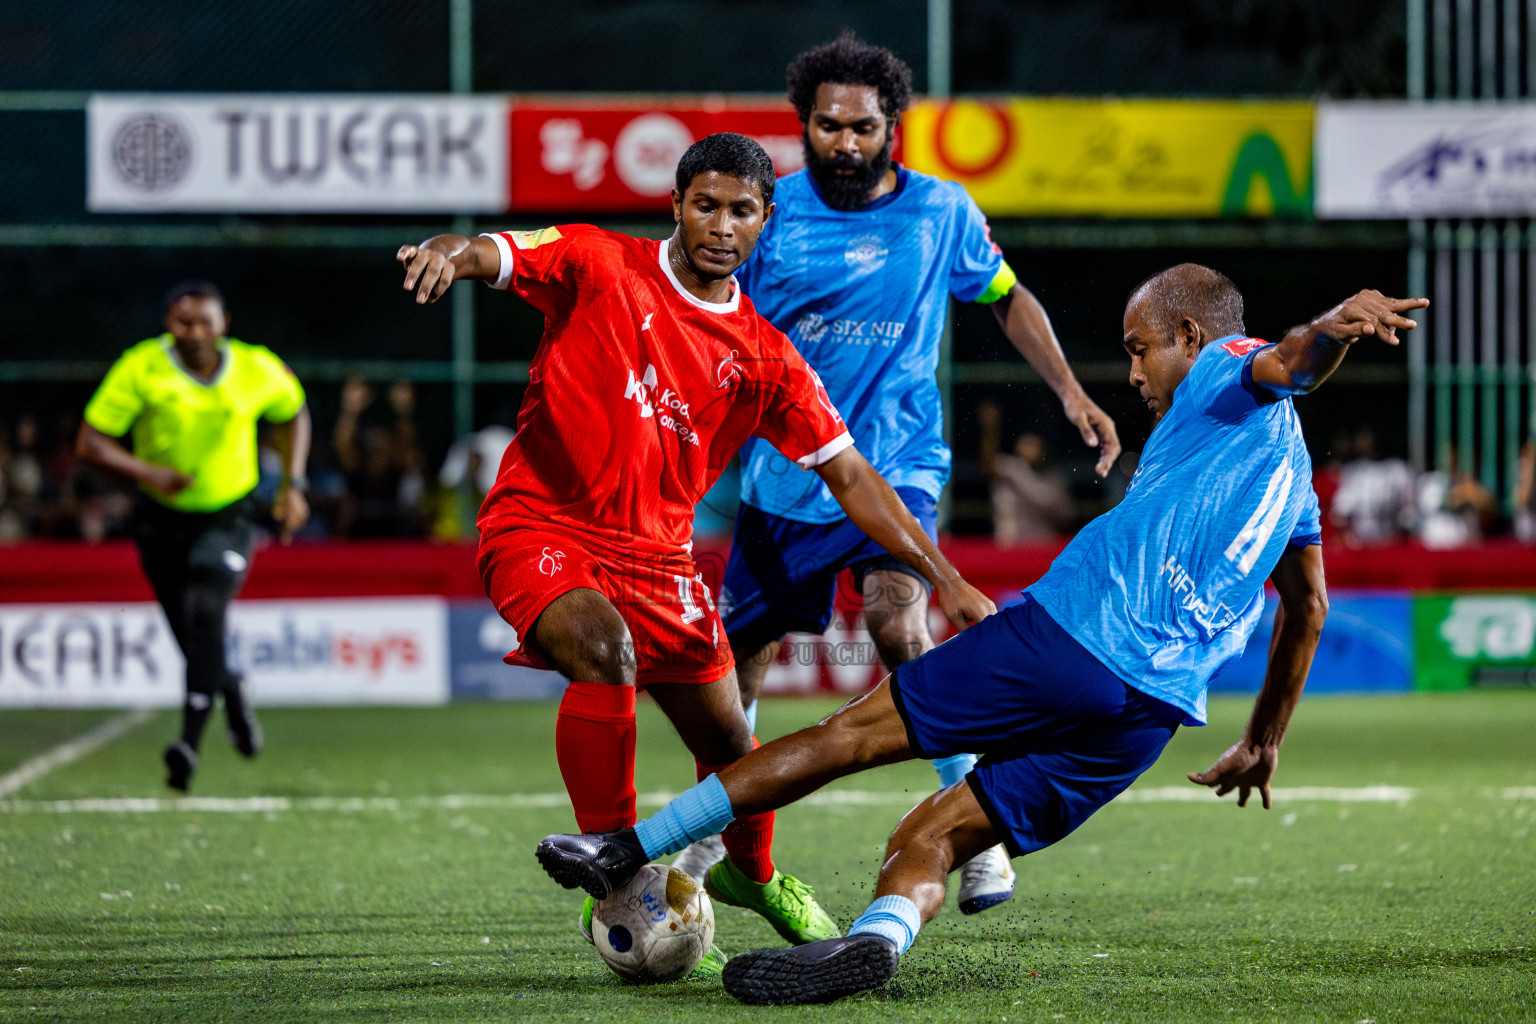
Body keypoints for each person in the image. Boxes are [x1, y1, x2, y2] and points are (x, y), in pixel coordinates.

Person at [536, 268, 1428, 1005]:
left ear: (1191, 337)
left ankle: (628, 850)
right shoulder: (1296, 483)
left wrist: (1334, 329)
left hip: (1074, 637)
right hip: (1150, 715)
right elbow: (1306, 607)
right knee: (934, 834)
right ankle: (877, 947)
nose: (1134, 372)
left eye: (1139, 348)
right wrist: (1263, 740)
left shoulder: (1223, 368)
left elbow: (1288, 363)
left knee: (846, 736)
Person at [395, 133, 995, 975]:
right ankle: (622, 876)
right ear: (674, 206)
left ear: (766, 221)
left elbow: (853, 476)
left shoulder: (765, 359)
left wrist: (947, 578)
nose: (720, 225)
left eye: (740, 210)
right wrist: (447, 255)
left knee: (738, 757)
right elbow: (495, 251)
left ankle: (753, 877)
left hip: (660, 565)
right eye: (704, 205)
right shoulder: (599, 263)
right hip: (542, 527)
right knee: (605, 653)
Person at [687, 36, 1121, 913]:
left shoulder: (942, 212)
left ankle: (976, 833)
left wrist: (1071, 391)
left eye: (861, 127)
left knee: (895, 620)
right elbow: (715, 319)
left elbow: (1006, 299)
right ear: (804, 125)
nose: (843, 143)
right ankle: (709, 843)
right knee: (737, 671)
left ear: (893, 126)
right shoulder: (770, 215)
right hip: (787, 478)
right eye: (826, 126)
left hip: (899, 463)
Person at [75, 280, 311, 791]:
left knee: (207, 609)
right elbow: (90, 442)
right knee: (192, 636)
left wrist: (293, 485)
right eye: (185, 322)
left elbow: (293, 411)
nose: (196, 332)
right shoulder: (141, 366)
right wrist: (148, 473)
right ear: (168, 324)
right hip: (159, 519)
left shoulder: (255, 367)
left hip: (231, 514)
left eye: (207, 321)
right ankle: (233, 691)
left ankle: (186, 743)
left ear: (225, 323)